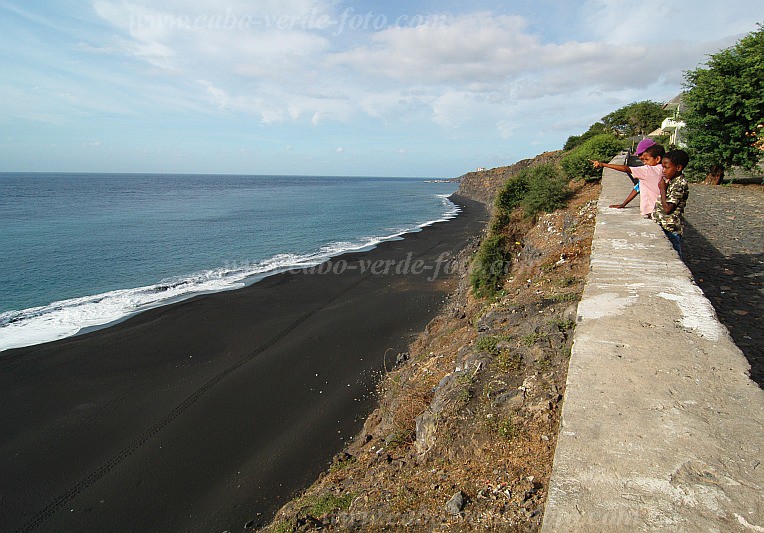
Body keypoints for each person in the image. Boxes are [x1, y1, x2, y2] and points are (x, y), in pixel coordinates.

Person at [591, 139, 665, 217]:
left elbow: (626, 168)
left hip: (652, 211)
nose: (642, 159)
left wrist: (603, 164)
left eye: (645, 158)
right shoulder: (664, 169)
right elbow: (638, 188)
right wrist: (623, 204)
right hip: (661, 210)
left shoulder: (647, 170)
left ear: (657, 159)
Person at [653, 149, 690, 257]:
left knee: (674, 255)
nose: (663, 171)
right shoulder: (671, 180)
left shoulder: (679, 184)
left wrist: (663, 190)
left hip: (670, 228)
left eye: (667, 168)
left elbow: (668, 208)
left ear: (678, 168)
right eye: (662, 167)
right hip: (663, 225)